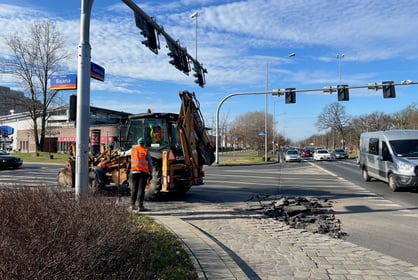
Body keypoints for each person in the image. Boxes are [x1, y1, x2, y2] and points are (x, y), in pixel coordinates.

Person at [129, 137, 153, 212]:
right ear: (143, 143)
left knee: (134, 188)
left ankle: (132, 205)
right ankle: (140, 206)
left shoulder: (133, 149)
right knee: (141, 189)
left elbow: (124, 153)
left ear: (137, 143)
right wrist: (151, 171)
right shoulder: (146, 151)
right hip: (143, 173)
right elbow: (150, 163)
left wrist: (119, 153)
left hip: (135, 172)